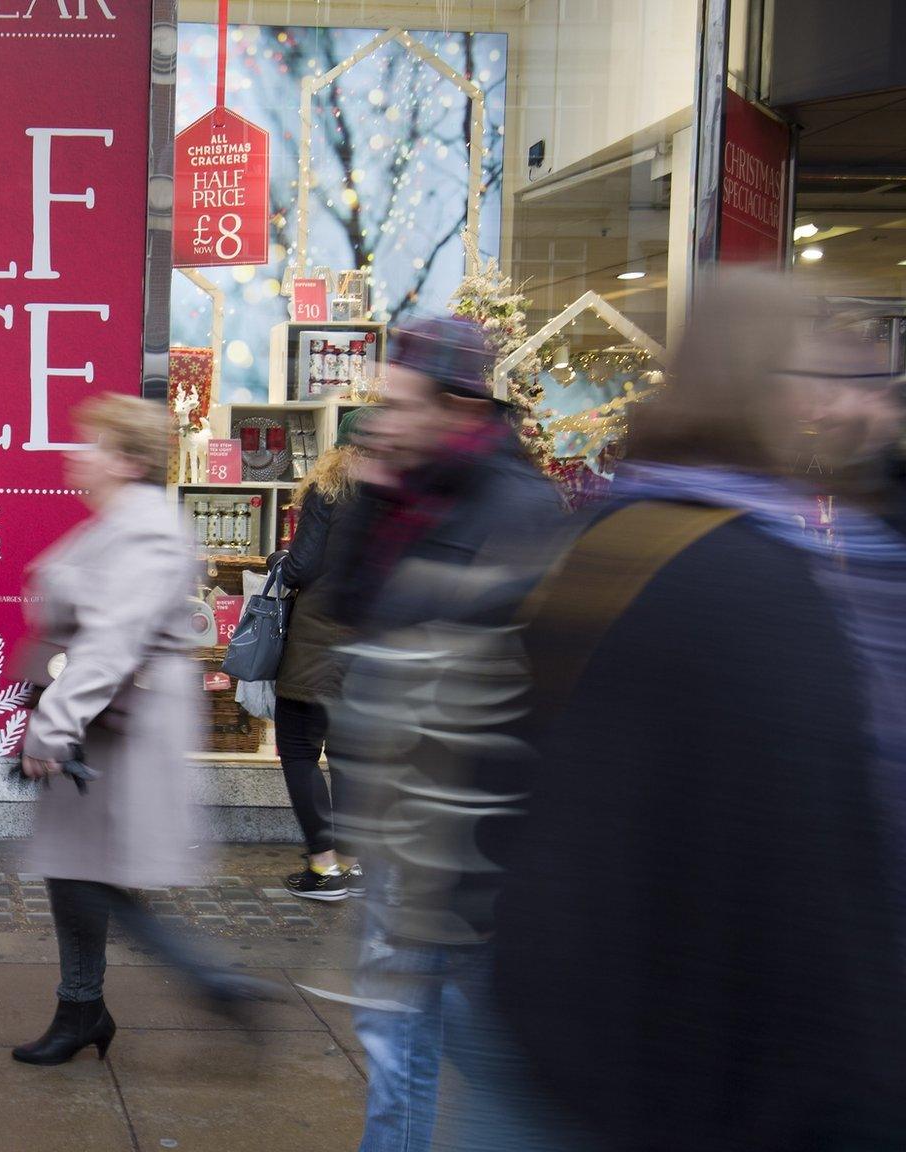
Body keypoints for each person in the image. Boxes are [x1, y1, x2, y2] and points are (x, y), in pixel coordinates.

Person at [484, 276, 906, 1152]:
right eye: (819, 375)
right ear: (766, 387)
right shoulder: (756, 579)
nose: (838, 401)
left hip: (582, 1016)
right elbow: (814, 867)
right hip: (695, 1053)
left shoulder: (618, 533)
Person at [320, 316, 567, 1152]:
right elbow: (347, 606)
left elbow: (499, 661)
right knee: (395, 1029)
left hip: (470, 831)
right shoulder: (412, 492)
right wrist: (378, 488)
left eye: (401, 401)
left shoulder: (519, 504)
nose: (386, 417)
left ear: (458, 404)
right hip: (407, 816)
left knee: (462, 1035)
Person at [10, 393, 280, 1070]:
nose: (77, 452)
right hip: (103, 725)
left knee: (92, 874)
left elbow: (111, 641)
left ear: (127, 460)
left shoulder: (144, 530)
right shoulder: (118, 522)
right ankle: (83, 1007)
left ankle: (207, 983)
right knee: (76, 871)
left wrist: (53, 726)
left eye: (92, 443)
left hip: (117, 732)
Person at [271, 406, 375, 900]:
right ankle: (353, 864)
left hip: (320, 641)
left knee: (298, 749)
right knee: (351, 755)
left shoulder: (329, 489)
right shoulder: (401, 500)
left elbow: (302, 564)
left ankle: (324, 867)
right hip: (373, 645)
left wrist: (280, 564)